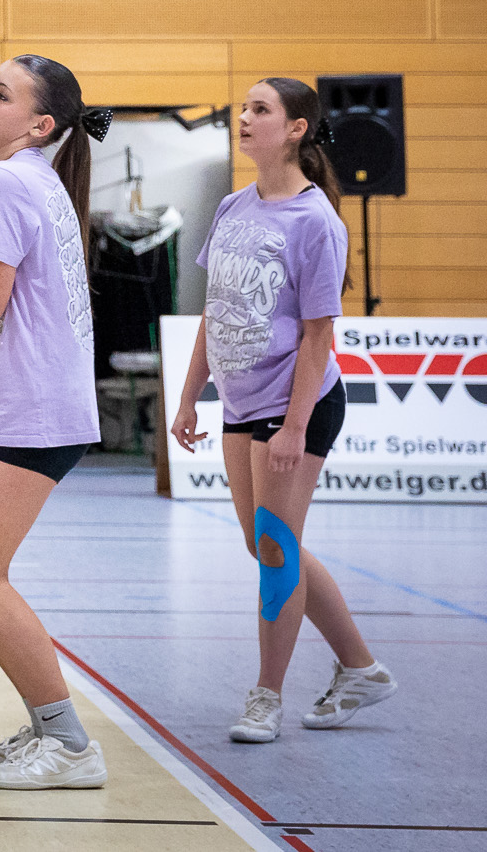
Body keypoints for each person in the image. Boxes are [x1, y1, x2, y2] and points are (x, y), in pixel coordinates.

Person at [172, 79, 396, 743]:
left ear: (296, 128)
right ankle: (361, 667)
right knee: (269, 543)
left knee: (274, 546)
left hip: (297, 404)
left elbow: (318, 335)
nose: (244, 118)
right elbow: (217, 310)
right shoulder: (235, 207)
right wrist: (190, 395)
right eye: (243, 108)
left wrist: (296, 426)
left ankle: (266, 695)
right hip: (240, 403)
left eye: (260, 110)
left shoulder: (317, 220)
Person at [0, 55, 108, 790]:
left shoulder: (4, 182)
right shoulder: (30, 178)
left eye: (0, 94)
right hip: (25, 401)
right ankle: (46, 726)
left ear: (39, 124)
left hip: (33, 406)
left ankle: (69, 742)